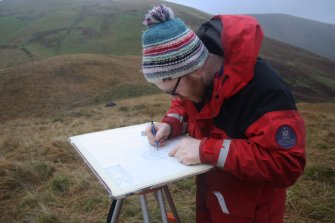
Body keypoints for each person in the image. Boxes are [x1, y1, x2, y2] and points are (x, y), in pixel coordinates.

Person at [142, 5, 306, 223]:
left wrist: (205, 150)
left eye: (173, 91)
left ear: (195, 69)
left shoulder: (265, 91)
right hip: (214, 197)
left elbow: (286, 164)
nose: (175, 99)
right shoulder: (198, 82)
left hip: (251, 212)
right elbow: (186, 105)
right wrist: (171, 124)